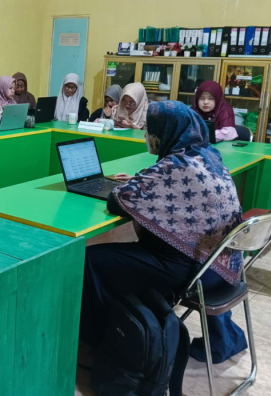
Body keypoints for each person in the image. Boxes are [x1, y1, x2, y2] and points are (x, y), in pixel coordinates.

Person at [79, 101, 248, 365]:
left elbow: (117, 201)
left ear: (167, 132)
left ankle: (102, 343)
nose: (146, 135)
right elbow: (173, 189)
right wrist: (143, 180)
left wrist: (139, 183)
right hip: (224, 265)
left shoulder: (175, 166)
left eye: (151, 130)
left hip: (196, 273)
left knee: (93, 260)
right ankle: (224, 338)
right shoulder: (207, 156)